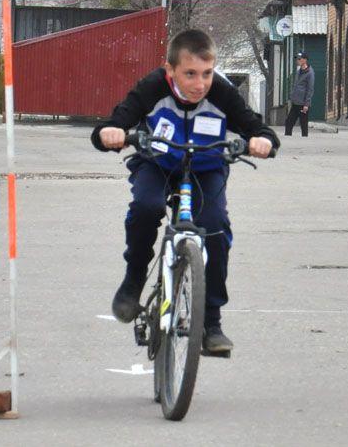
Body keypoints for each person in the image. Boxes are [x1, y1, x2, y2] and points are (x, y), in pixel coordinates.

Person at [91, 29, 280, 354]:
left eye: (207, 73)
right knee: (146, 207)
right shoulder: (153, 86)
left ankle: (212, 322)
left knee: (216, 227)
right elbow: (115, 122)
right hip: (159, 163)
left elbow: (257, 127)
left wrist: (263, 141)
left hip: (206, 169)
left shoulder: (221, 91)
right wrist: (111, 133)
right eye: (190, 74)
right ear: (171, 71)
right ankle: (134, 277)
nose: (199, 84)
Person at [284, 51, 315, 137]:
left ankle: (305, 141)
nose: (297, 60)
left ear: (305, 60)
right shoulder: (299, 71)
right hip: (295, 102)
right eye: (297, 59)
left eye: (299, 59)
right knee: (289, 122)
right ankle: (288, 138)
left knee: (303, 124)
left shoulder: (310, 73)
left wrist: (306, 104)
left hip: (303, 104)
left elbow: (310, 89)